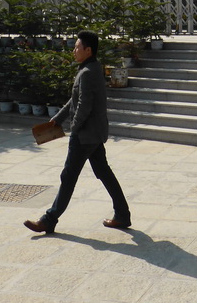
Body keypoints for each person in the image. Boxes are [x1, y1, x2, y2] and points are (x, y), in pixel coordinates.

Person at [24, 30, 131, 235]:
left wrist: (74, 127)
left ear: (88, 50)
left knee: (68, 176)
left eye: (77, 47)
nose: (74, 50)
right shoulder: (89, 68)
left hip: (85, 135)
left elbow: (84, 105)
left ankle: (49, 219)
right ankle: (123, 214)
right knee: (103, 172)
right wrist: (58, 119)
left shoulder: (89, 72)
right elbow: (75, 100)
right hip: (92, 134)